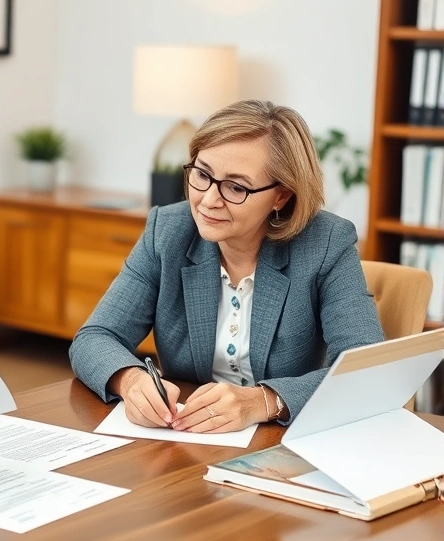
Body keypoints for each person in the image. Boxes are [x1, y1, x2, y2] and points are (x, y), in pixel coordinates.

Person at [70, 100, 384, 433]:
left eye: (236, 187)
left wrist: (263, 401)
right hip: (187, 437)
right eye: (202, 175)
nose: (208, 200)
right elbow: (95, 338)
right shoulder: (168, 232)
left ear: (282, 196)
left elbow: (364, 368)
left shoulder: (325, 243)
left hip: (285, 441)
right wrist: (130, 379)